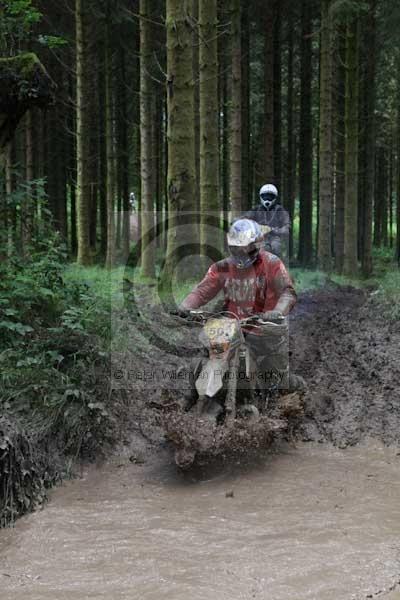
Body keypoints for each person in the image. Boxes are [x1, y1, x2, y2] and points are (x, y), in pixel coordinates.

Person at [178, 219, 304, 393]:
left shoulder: (272, 263)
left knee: (278, 382)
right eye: (237, 248)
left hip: (264, 328)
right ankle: (193, 396)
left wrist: (277, 312)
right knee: (204, 357)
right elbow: (201, 291)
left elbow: (288, 292)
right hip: (230, 328)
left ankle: (295, 390)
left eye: (246, 247)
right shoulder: (221, 267)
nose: (242, 252)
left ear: (257, 245)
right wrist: (185, 307)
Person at [241, 183, 290, 257]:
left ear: (275, 197)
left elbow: (287, 228)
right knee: (253, 251)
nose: (267, 198)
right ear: (261, 197)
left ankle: (278, 267)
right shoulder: (256, 209)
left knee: (276, 248)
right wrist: (237, 221)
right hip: (258, 237)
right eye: (265, 196)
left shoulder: (280, 210)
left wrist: (273, 230)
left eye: (270, 196)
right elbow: (244, 217)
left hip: (274, 238)